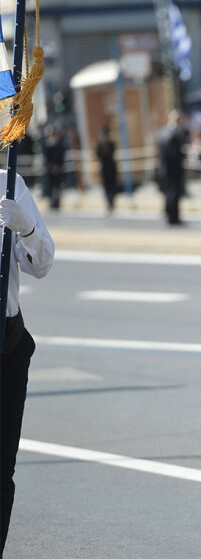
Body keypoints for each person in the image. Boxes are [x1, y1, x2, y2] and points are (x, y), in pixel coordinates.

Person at [0, 170, 54, 554]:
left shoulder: (7, 182)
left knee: (1, 472)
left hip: (6, 343)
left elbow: (42, 263)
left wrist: (27, 229)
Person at [157, 110, 188, 225]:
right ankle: (173, 217)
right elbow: (175, 154)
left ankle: (171, 215)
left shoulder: (162, 132)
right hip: (173, 169)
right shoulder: (174, 133)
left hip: (166, 169)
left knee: (170, 193)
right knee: (173, 193)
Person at [94, 126, 118, 213]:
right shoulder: (100, 144)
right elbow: (97, 155)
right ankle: (109, 202)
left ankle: (112, 201)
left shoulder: (110, 143)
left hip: (110, 166)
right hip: (105, 167)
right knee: (106, 186)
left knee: (112, 185)